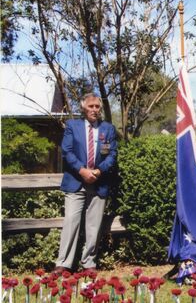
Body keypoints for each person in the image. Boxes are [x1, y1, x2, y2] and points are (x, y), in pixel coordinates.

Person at [54, 93, 118, 274]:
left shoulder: (108, 129)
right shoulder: (72, 126)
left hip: (99, 183)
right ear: (83, 107)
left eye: (97, 107)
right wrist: (82, 171)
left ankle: (89, 263)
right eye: (91, 106)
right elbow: (66, 151)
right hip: (75, 181)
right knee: (71, 222)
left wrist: (98, 171)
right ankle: (63, 264)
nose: (94, 110)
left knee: (94, 226)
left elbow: (112, 154)